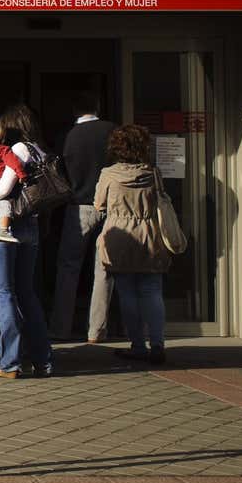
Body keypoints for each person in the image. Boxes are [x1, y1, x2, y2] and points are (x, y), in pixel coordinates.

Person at [0, 104, 53, 379]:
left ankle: (10, 362)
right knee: (26, 293)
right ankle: (42, 360)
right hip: (31, 225)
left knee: (4, 293)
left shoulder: (19, 150)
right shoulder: (39, 149)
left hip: (6, 224)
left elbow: (5, 188)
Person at [95, 124, 172, 365]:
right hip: (149, 233)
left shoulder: (109, 174)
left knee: (126, 292)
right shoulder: (153, 173)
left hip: (120, 237)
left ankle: (138, 345)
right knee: (152, 290)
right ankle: (157, 344)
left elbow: (99, 204)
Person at [52, 93, 116, 342]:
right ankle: (97, 330)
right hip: (109, 206)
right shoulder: (112, 131)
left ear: (74, 110)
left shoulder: (66, 137)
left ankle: (60, 328)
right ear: (97, 106)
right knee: (104, 269)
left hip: (77, 208)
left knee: (68, 269)